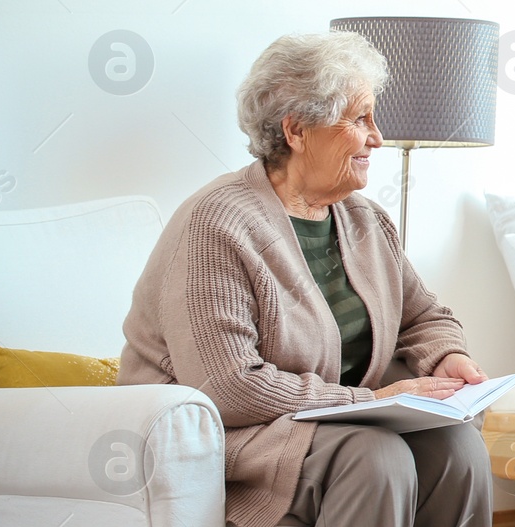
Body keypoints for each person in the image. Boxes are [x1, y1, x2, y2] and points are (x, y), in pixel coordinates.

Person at [119, 31, 491, 527]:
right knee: (374, 456)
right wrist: (370, 400)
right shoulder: (217, 225)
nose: (378, 137)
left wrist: (448, 357)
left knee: (456, 446)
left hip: (338, 425)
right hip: (227, 437)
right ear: (296, 131)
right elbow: (229, 388)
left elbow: (424, 316)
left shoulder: (364, 219)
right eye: (360, 119)